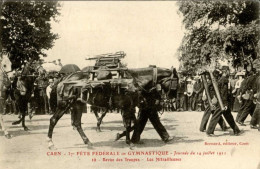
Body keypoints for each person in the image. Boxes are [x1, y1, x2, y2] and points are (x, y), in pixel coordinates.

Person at [206, 69, 241, 136]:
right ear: (225, 72)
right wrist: (225, 104)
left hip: (221, 101)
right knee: (217, 116)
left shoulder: (220, 80)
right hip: (222, 102)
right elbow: (224, 93)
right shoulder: (224, 81)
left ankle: (236, 130)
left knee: (228, 116)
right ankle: (209, 131)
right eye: (228, 71)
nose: (229, 73)